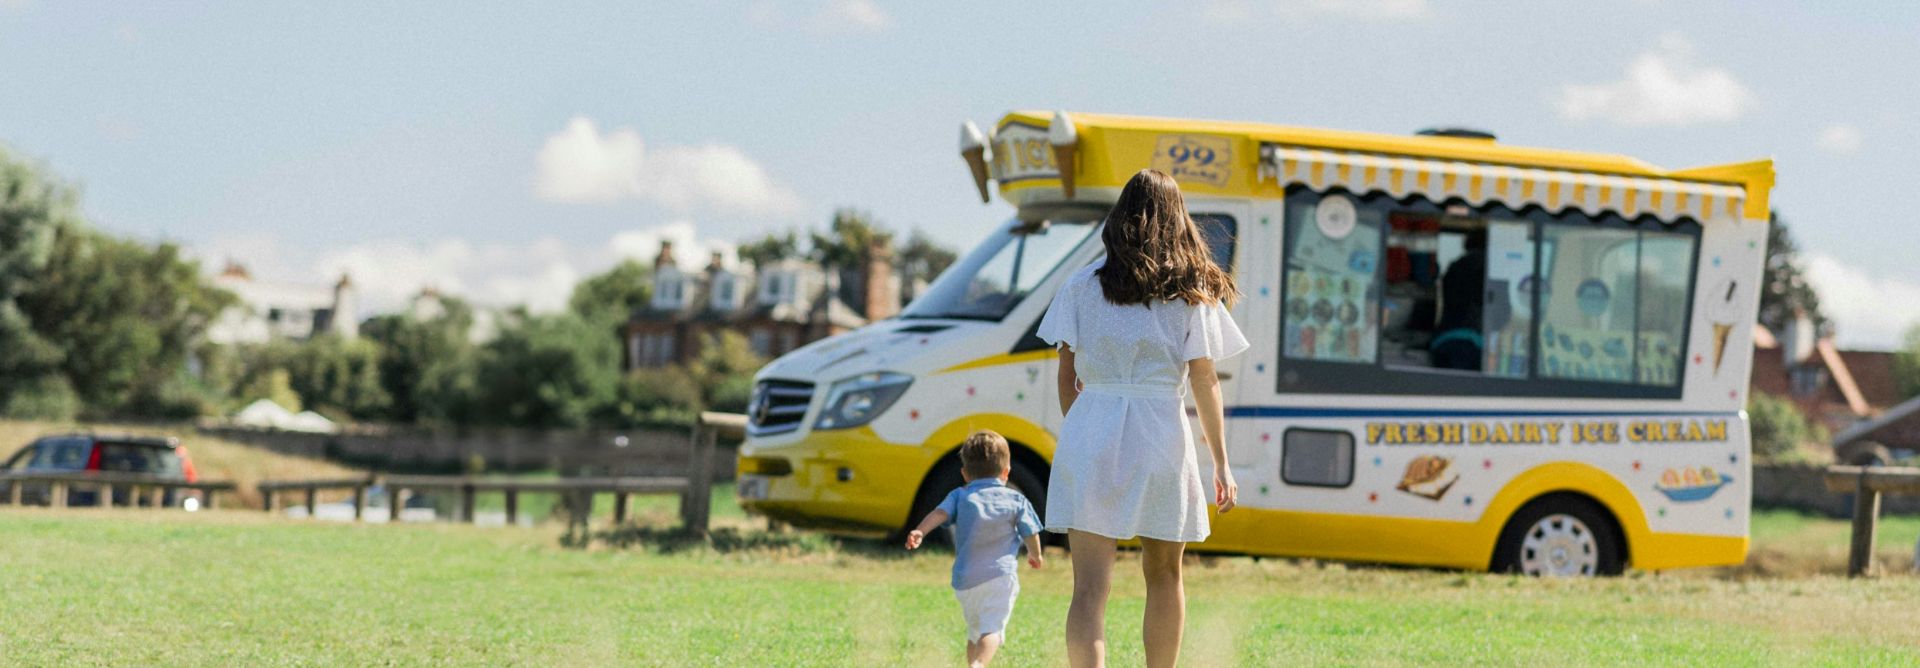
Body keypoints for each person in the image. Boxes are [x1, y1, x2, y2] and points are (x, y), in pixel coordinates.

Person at [1035, 169, 1248, 668]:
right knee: (1165, 576)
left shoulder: (1081, 284)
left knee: (1088, 589)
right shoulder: (1192, 291)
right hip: (1161, 435)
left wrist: (1088, 427)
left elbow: (1066, 378)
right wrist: (1222, 463)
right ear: (1179, 220)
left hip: (1092, 428)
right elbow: (1205, 381)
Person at [904, 429, 1045, 668]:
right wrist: (1035, 554)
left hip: (965, 581)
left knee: (974, 632)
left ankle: (974, 662)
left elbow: (939, 513)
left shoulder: (959, 495)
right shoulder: (1015, 500)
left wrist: (920, 530)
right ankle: (978, 664)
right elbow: (1030, 531)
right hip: (999, 576)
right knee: (993, 630)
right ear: (1006, 472)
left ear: (965, 474)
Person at [1430, 227, 1486, 370]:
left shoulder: (1454, 266)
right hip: (1472, 341)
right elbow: (1500, 311)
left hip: (1443, 338)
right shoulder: (1491, 270)